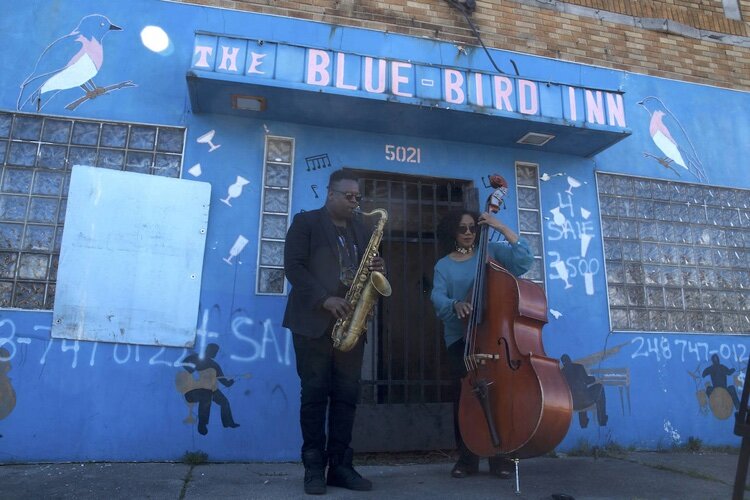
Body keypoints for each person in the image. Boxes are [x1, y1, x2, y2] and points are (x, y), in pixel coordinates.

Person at [283, 169, 386, 495]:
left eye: (358, 197)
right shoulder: (306, 223)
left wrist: (377, 269)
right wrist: (324, 299)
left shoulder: (362, 228)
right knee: (314, 397)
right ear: (330, 193)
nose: (355, 202)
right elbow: (293, 267)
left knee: (346, 398)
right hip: (313, 325)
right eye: (349, 196)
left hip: (350, 327)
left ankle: (341, 467)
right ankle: (314, 469)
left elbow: (364, 271)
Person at [430, 208, 534, 479]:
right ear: (453, 232)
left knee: (500, 395)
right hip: (461, 339)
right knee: (465, 398)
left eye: (472, 228)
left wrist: (499, 225)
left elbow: (524, 259)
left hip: (496, 340)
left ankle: (501, 457)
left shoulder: (494, 254)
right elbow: (437, 297)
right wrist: (456, 304)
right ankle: (467, 459)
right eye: (462, 228)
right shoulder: (444, 265)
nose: (468, 233)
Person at [181, 343, 240, 435]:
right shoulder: (196, 358)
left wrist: (229, 383)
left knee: (224, 402)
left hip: (210, 390)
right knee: (206, 397)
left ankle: (228, 422)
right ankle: (202, 424)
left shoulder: (214, 365)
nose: (215, 354)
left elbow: (223, 380)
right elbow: (184, 363)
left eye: (216, 352)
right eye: (214, 352)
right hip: (193, 391)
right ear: (208, 350)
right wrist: (192, 370)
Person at [560, 354, 608, 428]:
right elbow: (587, 380)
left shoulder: (561, 373)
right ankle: (602, 420)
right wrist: (594, 378)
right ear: (570, 360)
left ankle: (583, 423)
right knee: (599, 387)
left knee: (579, 394)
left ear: (563, 363)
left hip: (573, 404)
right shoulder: (578, 367)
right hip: (586, 400)